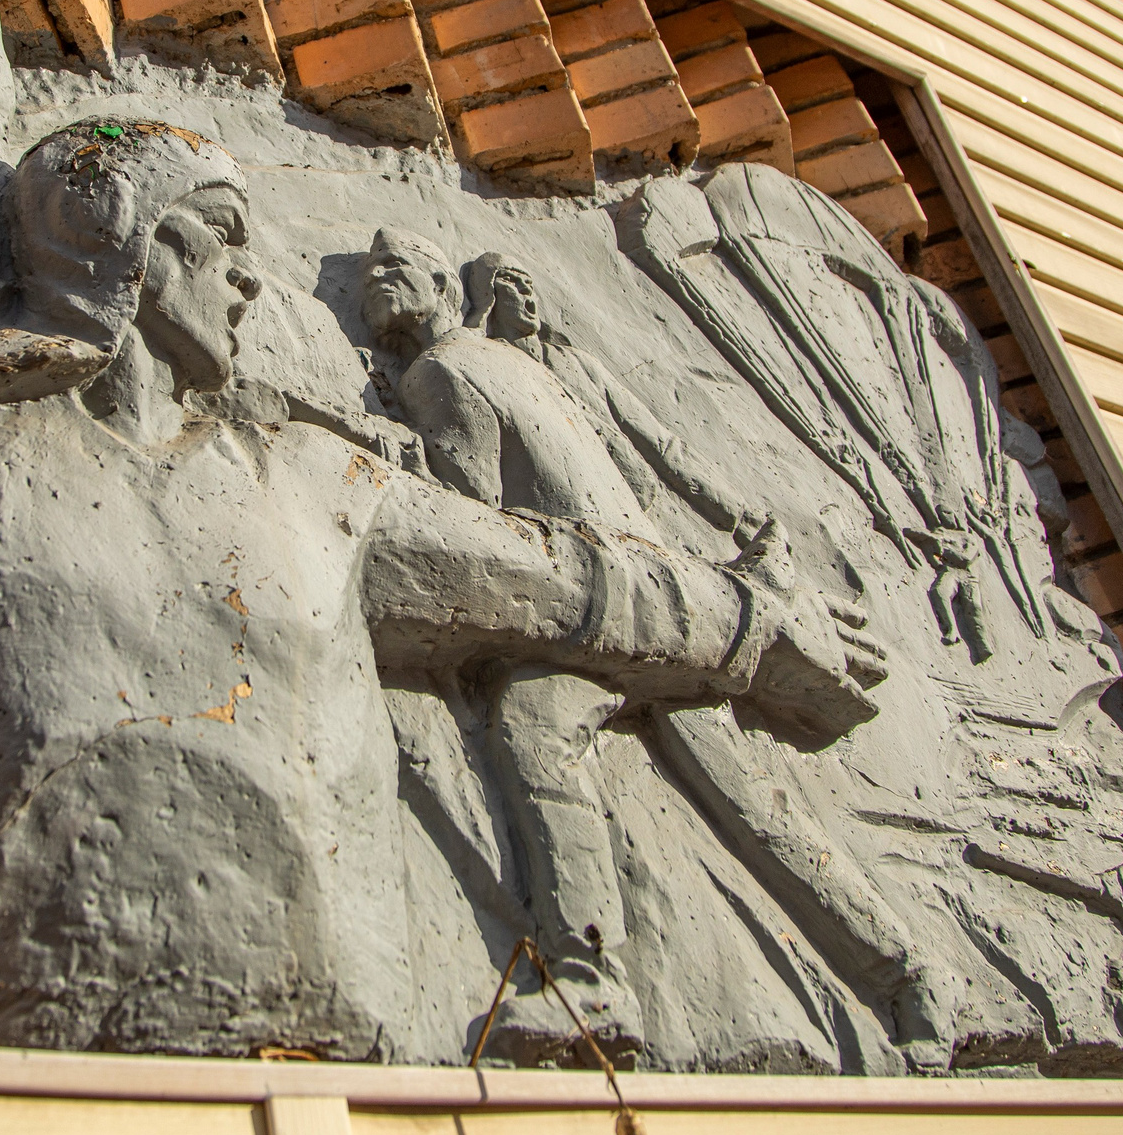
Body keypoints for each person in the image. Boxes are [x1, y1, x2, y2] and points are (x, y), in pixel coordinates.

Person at [0, 0, 872, 1060]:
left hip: (341, 1059)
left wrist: (757, 626)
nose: (255, 275)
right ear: (114, 242)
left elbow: (564, 582)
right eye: (221, 234)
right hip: (38, 1057)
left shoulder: (314, 482)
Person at [359, 229, 887, 1064]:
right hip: (673, 603)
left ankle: (593, 980)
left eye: (393, 271)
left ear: (440, 286)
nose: (374, 284)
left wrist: (390, 435)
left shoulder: (441, 371)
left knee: (533, 724)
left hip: (600, 610)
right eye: (367, 278)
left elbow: (475, 515)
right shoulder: (532, 369)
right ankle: (904, 974)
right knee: (762, 816)